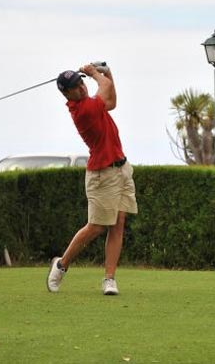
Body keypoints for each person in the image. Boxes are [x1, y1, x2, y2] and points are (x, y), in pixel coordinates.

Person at [47, 63, 138, 295]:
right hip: (101, 174)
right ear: (67, 94)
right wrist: (96, 73)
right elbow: (104, 88)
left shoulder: (92, 103)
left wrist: (108, 75)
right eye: (76, 87)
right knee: (97, 226)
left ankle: (109, 279)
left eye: (81, 82)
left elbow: (112, 102)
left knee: (118, 224)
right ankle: (61, 265)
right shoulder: (82, 110)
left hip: (121, 168)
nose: (82, 87)